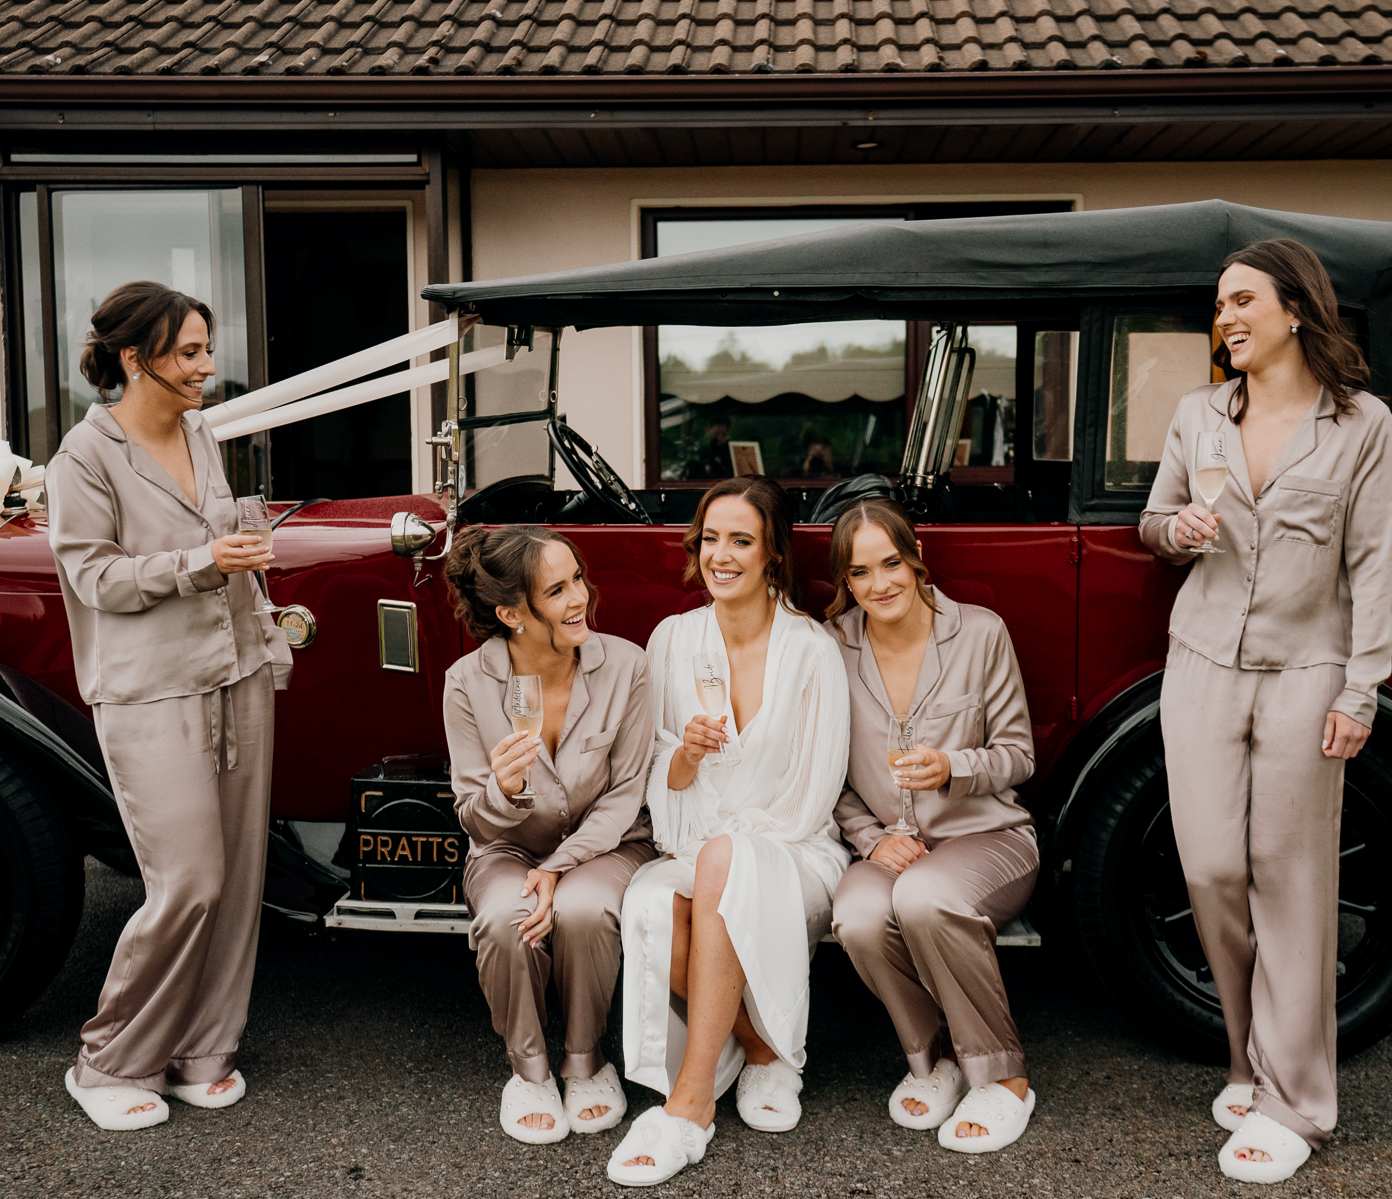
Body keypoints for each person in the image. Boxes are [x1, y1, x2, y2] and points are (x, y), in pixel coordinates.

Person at [1141, 237, 1392, 1184]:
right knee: (1211, 869)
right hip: (1201, 662)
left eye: (1243, 301)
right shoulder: (1198, 414)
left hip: (1307, 672)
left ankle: (1299, 1103)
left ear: (1297, 309)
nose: (1227, 319)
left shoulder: (1364, 425)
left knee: (1290, 887)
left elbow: (1374, 566)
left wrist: (1359, 688)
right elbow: (1154, 522)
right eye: (1219, 306)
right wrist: (1179, 530)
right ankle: (1251, 1059)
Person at [45, 280, 291, 1131]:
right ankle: (109, 1059)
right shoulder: (85, 455)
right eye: (188, 352)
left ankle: (203, 1050)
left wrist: (259, 615)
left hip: (240, 674)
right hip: (150, 691)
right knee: (189, 879)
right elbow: (93, 577)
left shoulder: (201, 431)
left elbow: (227, 540)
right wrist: (200, 562)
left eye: (204, 348)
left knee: (238, 881)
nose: (206, 367)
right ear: (132, 357)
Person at [605, 476, 851, 1186]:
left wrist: (731, 847)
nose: (721, 554)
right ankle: (763, 1048)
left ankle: (689, 1104)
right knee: (654, 903)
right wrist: (683, 755)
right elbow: (656, 774)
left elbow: (814, 793)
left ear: (773, 553)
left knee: (723, 864)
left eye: (741, 540)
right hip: (691, 838)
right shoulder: (672, 640)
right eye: (711, 538)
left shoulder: (812, 651)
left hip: (793, 848)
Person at [826, 498, 1040, 1154]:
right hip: (886, 843)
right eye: (861, 573)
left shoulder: (979, 632)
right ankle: (938, 1057)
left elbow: (1019, 755)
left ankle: (1004, 1078)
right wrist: (869, 839)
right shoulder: (831, 648)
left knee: (924, 898)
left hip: (989, 836)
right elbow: (820, 772)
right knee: (858, 916)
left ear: (916, 559)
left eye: (891, 563)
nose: (880, 584)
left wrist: (953, 766)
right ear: (846, 582)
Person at [441, 525, 656, 1145]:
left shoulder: (627, 666)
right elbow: (473, 818)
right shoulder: (466, 683)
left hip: (609, 843)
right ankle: (530, 1072)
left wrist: (560, 866)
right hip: (508, 849)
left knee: (585, 909)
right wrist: (503, 793)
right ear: (511, 613)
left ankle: (585, 1059)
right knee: (508, 917)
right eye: (557, 590)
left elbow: (626, 792)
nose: (579, 598)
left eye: (578, 580)